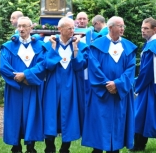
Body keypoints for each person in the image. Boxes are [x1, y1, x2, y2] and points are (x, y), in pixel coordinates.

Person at [82, 16, 137, 153]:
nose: (122, 28)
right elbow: (94, 68)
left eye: (123, 26)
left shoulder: (129, 47)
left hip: (120, 94)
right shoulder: (96, 46)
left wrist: (117, 84)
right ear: (110, 27)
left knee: (118, 125)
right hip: (102, 94)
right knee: (100, 125)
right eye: (120, 26)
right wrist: (107, 84)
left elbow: (131, 69)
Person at [0, 16, 46, 153]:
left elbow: (43, 65)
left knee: (32, 115)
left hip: (32, 88)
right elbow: (4, 67)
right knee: (15, 116)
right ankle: (16, 146)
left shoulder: (39, 46)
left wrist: (26, 75)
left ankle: (30, 146)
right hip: (15, 88)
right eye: (19, 26)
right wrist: (18, 78)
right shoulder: (9, 46)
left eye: (24, 26)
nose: (21, 29)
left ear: (31, 28)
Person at [42, 17, 89, 153]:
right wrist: (53, 49)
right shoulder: (49, 44)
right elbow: (48, 65)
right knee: (50, 113)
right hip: (52, 84)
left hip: (71, 84)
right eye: (69, 28)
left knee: (69, 113)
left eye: (73, 28)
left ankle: (65, 147)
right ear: (60, 29)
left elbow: (80, 66)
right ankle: (49, 146)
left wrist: (75, 50)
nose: (73, 31)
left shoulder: (80, 45)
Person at [129, 17, 156, 152]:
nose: (143, 31)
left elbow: (147, 71)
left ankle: (139, 145)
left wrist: (137, 86)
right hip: (149, 85)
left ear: (154, 30)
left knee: (141, 114)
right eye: (142, 28)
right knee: (143, 115)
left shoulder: (152, 47)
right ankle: (139, 144)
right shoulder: (149, 45)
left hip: (149, 86)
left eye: (146, 28)